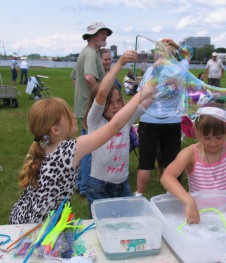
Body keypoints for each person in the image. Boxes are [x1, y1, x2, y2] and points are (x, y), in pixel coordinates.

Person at [8, 50, 148, 224]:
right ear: (56, 130)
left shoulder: (44, 146)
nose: (74, 114)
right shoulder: (70, 150)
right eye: (68, 114)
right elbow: (115, 125)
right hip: (39, 226)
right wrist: (141, 93)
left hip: (25, 217)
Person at [160, 107, 226, 224]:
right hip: (199, 213)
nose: (213, 143)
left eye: (219, 137)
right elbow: (167, 177)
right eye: (207, 138)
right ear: (198, 132)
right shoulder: (190, 153)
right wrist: (188, 200)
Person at [85, 50, 148, 212]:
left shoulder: (125, 120)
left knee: (124, 222)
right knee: (101, 226)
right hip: (99, 186)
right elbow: (101, 92)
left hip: (123, 184)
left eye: (119, 101)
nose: (115, 106)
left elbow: (145, 102)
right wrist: (120, 63)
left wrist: (158, 80)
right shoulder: (95, 122)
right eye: (109, 102)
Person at [135, 38, 187, 196]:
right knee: (173, 161)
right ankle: (172, 194)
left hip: (149, 119)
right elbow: (186, 57)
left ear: (158, 53)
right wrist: (176, 46)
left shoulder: (153, 70)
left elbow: (142, 93)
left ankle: (138, 195)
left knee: (145, 163)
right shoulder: (181, 68)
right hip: (172, 121)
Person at [71, 21, 112, 197]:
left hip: (84, 105)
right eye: (102, 33)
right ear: (92, 36)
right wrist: (98, 97)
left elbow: (74, 77)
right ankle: (85, 187)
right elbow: (88, 77)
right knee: (89, 147)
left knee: (84, 145)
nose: (105, 36)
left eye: (105, 33)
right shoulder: (90, 54)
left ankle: (80, 182)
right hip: (90, 107)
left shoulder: (87, 53)